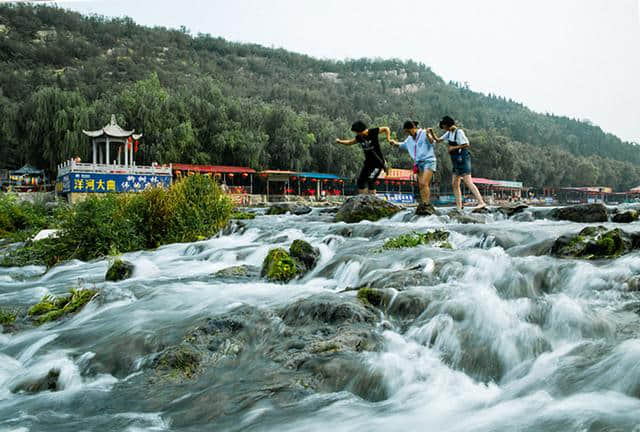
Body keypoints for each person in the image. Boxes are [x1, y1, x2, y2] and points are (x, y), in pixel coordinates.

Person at [433, 116, 487, 210]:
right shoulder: (449, 133)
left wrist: (453, 148)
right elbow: (438, 140)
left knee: (468, 182)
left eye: (443, 126)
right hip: (455, 160)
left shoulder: (459, 132)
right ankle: (459, 206)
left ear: (447, 125)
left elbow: (466, 144)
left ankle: (481, 202)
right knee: (454, 183)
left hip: (463, 158)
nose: (443, 128)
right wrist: (431, 133)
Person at [336, 121, 392, 195]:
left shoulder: (373, 132)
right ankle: (363, 200)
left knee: (371, 180)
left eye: (356, 132)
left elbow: (386, 128)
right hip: (368, 163)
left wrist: (388, 139)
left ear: (360, 130)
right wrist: (340, 141)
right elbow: (350, 142)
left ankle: (373, 200)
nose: (356, 134)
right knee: (360, 181)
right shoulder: (359, 137)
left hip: (378, 163)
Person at [390, 120, 438, 206]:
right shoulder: (409, 139)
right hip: (418, 163)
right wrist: (394, 143)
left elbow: (433, 143)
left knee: (424, 183)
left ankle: (427, 204)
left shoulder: (424, 133)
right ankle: (424, 204)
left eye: (409, 131)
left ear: (414, 128)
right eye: (406, 132)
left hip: (429, 160)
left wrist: (428, 135)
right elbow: (403, 145)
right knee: (420, 185)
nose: (408, 133)